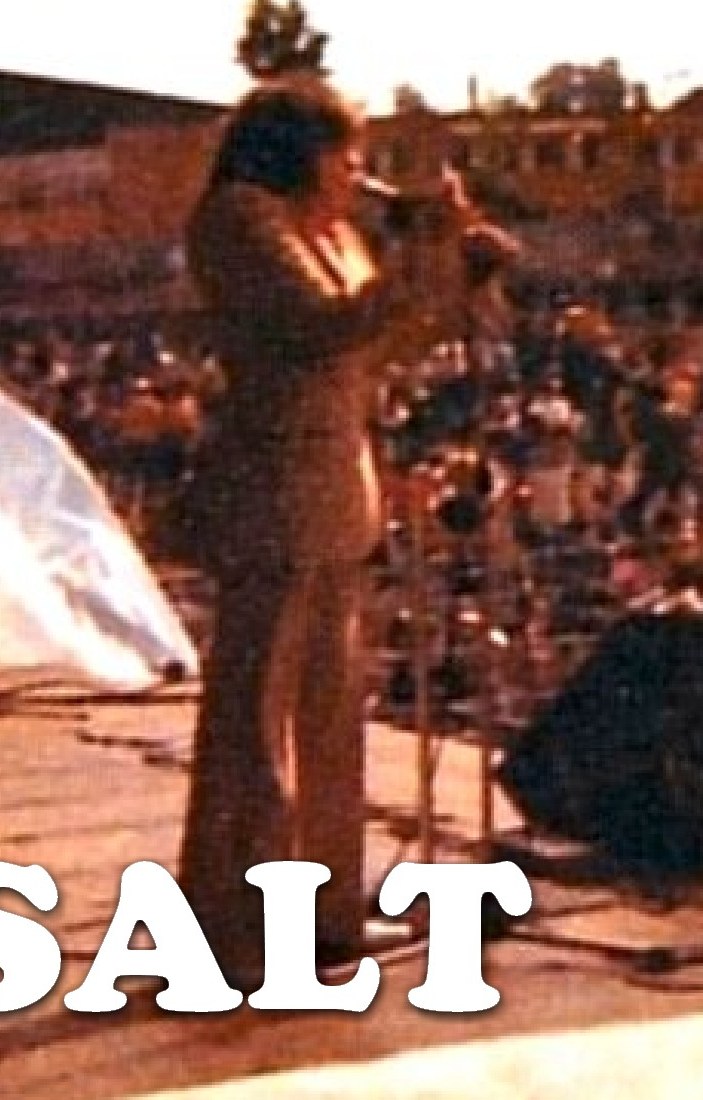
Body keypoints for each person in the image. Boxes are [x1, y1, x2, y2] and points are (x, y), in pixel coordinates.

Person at [175, 75, 511, 977]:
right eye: (346, 157)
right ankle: (242, 918)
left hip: (334, 488)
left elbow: (375, 347)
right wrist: (424, 249)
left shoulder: (331, 235)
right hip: (273, 490)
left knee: (331, 718)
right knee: (258, 719)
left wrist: (453, 278)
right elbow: (317, 330)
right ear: (300, 152)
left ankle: (327, 911)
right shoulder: (241, 222)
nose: (358, 176)